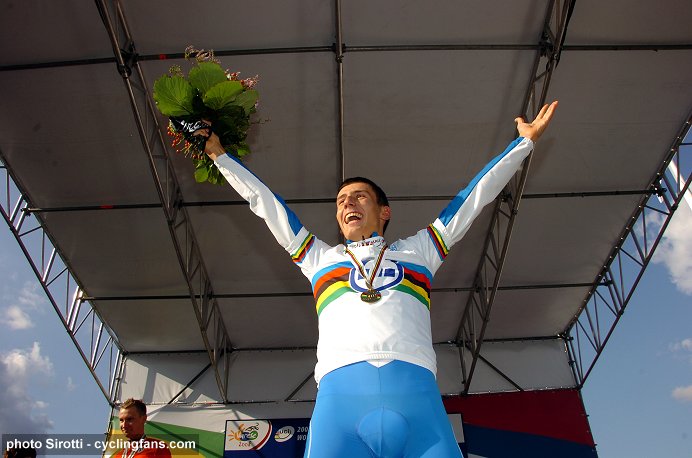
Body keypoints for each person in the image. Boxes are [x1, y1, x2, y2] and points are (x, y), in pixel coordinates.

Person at [200, 101, 558, 457]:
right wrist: (220, 157)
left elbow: (473, 199)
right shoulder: (318, 258)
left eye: (359, 196)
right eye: (341, 201)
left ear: (384, 211)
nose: (347, 204)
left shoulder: (420, 251)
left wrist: (522, 144)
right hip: (340, 401)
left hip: (417, 397)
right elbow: (266, 203)